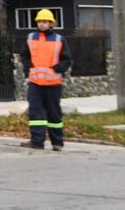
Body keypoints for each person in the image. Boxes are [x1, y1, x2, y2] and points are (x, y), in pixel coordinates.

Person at [19, 8, 72, 151]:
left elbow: (66, 60)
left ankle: (57, 142)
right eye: (40, 21)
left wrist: (57, 68)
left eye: (45, 21)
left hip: (53, 83)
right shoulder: (30, 38)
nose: (42, 24)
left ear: (51, 24)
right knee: (36, 113)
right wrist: (28, 67)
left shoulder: (59, 39)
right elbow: (24, 56)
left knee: (54, 114)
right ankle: (37, 142)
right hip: (35, 83)